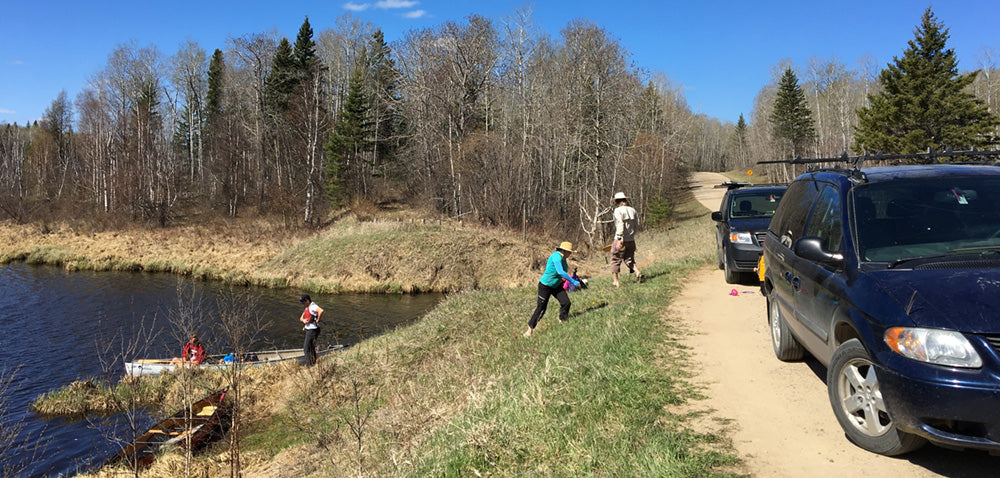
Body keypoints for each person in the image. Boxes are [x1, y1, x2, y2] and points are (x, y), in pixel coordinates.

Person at [524, 241, 581, 337]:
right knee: (541, 308)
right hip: (545, 286)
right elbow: (560, 272)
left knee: (566, 302)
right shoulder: (556, 257)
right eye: (569, 251)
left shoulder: (563, 258)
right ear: (564, 250)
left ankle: (562, 320)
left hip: (556, 285)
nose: (570, 253)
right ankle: (529, 330)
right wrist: (574, 282)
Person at [610, 192, 643, 287]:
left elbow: (620, 224)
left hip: (620, 240)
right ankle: (637, 273)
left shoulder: (618, 211)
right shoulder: (633, 210)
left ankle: (615, 281)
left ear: (617, 201)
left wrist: (620, 238)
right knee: (629, 258)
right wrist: (632, 235)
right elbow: (637, 226)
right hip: (631, 240)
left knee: (615, 259)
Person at [299, 294, 324, 366]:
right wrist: (303, 320)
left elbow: (321, 311)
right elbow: (301, 318)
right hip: (310, 330)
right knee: (311, 348)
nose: (303, 304)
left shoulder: (313, 306)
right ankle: (313, 363)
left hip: (313, 330)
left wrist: (318, 319)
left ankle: (309, 366)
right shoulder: (307, 307)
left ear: (307, 300)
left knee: (306, 348)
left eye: (303, 302)